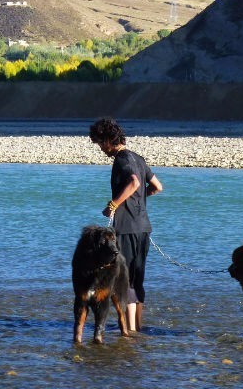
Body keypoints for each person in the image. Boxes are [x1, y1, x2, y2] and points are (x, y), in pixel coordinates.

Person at [89, 116, 164, 333]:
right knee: (137, 280)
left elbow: (134, 182)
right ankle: (136, 328)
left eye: (100, 143)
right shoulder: (138, 158)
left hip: (127, 228)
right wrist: (138, 198)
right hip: (143, 228)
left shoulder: (122, 159)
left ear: (108, 140)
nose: (101, 149)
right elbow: (157, 187)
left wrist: (114, 204)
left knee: (125, 280)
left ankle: (129, 332)